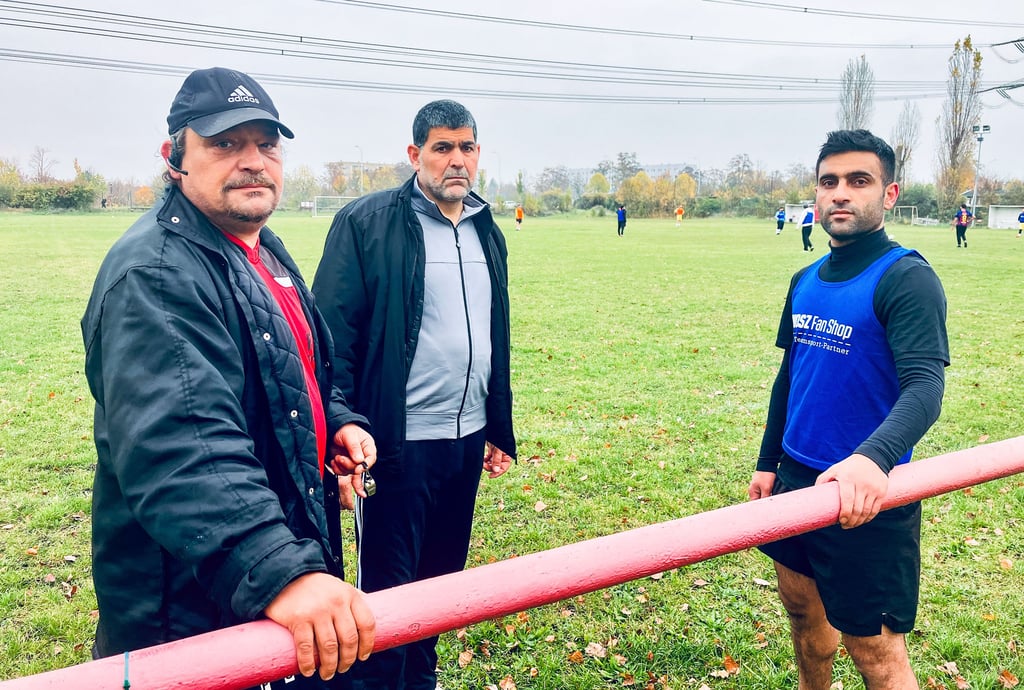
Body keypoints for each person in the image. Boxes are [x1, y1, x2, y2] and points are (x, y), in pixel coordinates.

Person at [81, 67, 377, 690]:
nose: (253, 161)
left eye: (266, 144)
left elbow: (295, 372)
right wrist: (280, 570)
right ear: (174, 159)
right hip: (190, 612)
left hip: (260, 582)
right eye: (224, 144)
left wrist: (338, 423)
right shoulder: (156, 275)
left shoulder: (260, 249)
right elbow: (182, 450)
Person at [312, 99, 516, 690]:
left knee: (438, 591)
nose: (457, 160)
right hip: (397, 447)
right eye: (442, 147)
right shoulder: (368, 223)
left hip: (465, 442)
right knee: (388, 601)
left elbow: (493, 332)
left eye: (467, 147)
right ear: (415, 155)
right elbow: (333, 338)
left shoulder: (486, 229)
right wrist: (342, 423)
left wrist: (495, 426)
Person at [749, 129, 949, 690]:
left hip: (867, 492)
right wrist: (769, 460)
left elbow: (925, 386)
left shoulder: (907, 277)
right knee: (804, 621)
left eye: (859, 181)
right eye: (828, 181)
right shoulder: (805, 278)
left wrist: (873, 460)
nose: (840, 193)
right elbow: (791, 375)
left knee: (876, 655)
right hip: (794, 479)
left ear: (889, 195)